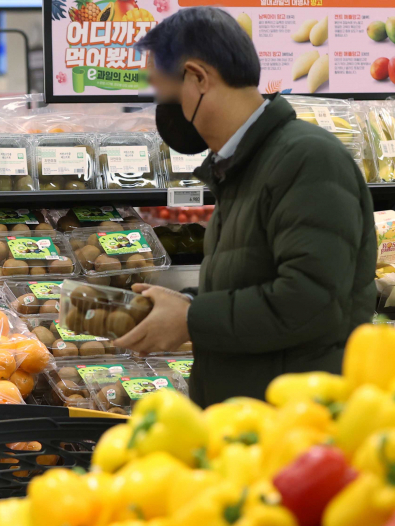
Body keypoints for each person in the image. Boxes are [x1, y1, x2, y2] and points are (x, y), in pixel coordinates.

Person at [114, 7, 376, 406]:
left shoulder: (307, 158)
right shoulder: (241, 167)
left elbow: (309, 300)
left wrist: (190, 319)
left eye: (162, 91)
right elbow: (253, 281)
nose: (161, 109)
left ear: (198, 78)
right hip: (248, 418)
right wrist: (184, 303)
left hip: (293, 424)